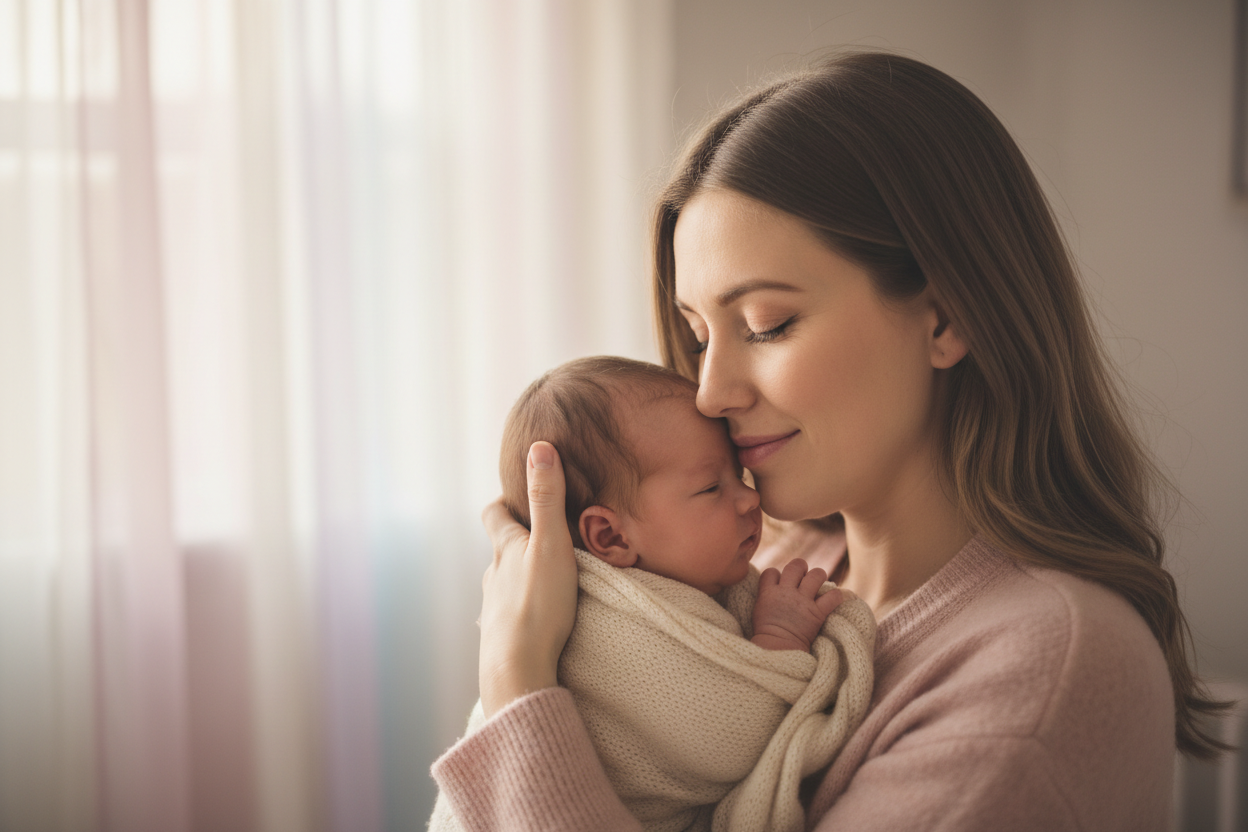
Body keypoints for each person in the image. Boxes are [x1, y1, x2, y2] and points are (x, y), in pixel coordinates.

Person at [432, 51, 1231, 831]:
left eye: (767, 324)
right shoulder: (770, 560)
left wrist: (516, 684)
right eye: (700, 334)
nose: (709, 389)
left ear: (947, 316)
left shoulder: (1045, 668)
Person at [430, 355, 875, 832]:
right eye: (711, 487)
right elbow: (729, 740)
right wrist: (779, 636)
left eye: (738, 475)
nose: (749, 498)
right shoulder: (614, 628)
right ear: (611, 538)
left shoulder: (682, 576)